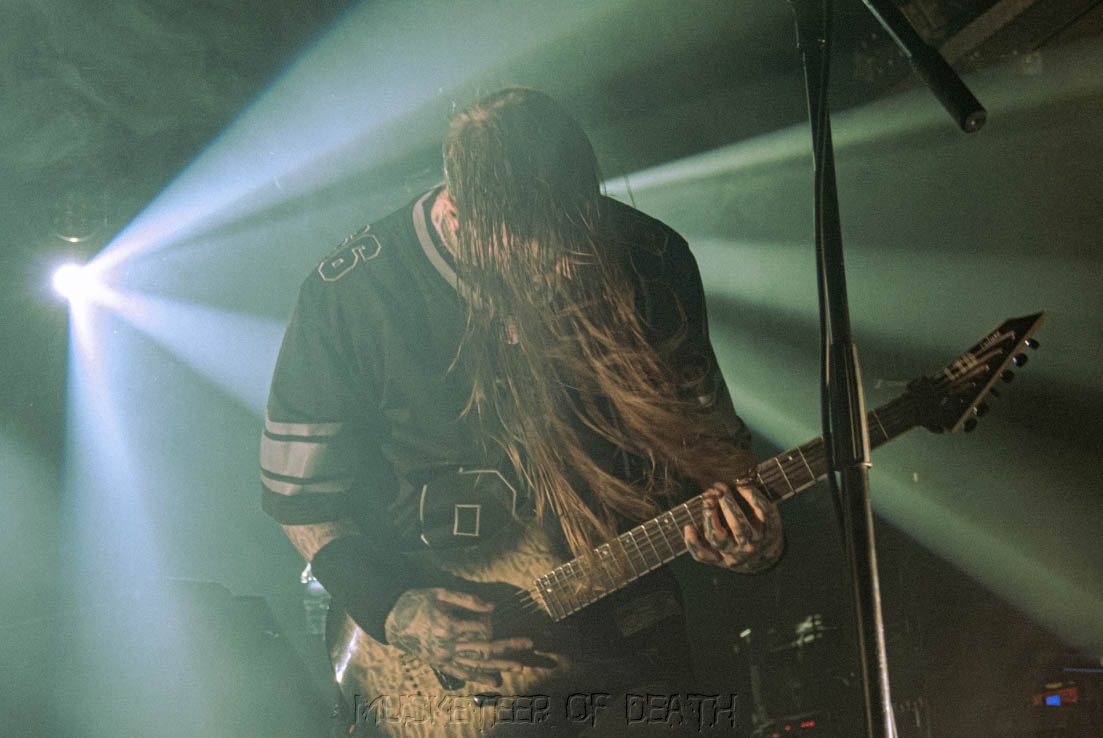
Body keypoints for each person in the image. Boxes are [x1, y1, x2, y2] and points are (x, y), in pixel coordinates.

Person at [260, 87, 783, 735]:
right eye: (536, 245)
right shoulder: (352, 295)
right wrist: (394, 608)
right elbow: (301, 501)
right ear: (459, 217)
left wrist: (748, 535)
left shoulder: (651, 258)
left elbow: (711, 451)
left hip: (629, 624)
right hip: (449, 663)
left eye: (576, 238)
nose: (564, 267)